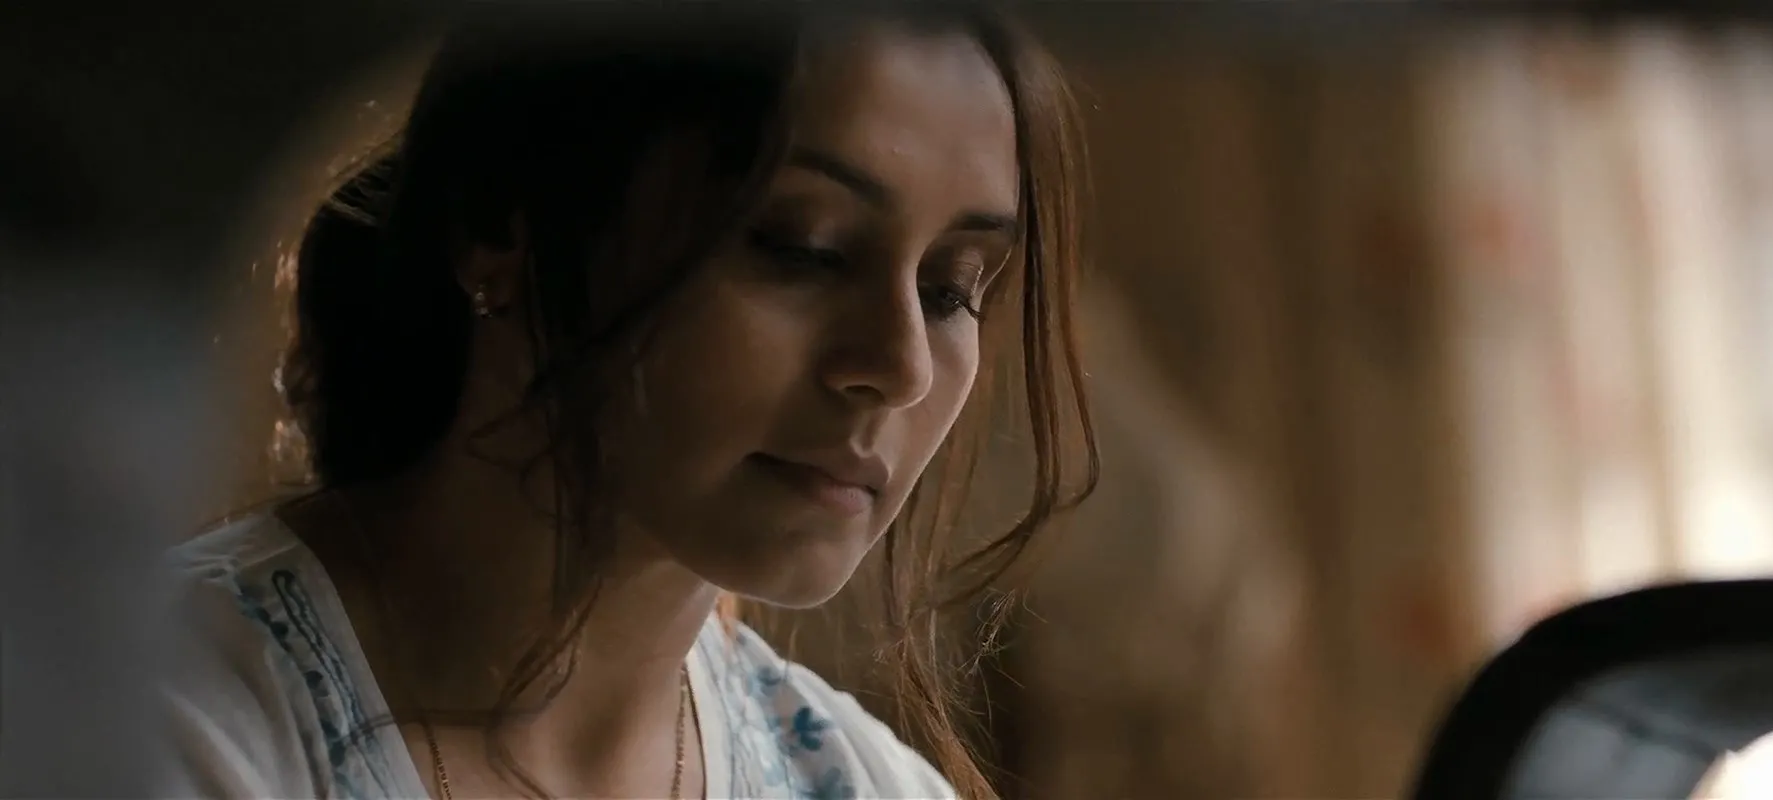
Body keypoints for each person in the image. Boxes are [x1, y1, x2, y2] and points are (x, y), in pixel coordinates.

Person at [162, 4, 1096, 799]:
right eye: (804, 248)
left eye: (948, 290)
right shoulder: (157, 722)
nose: (900, 367)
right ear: (501, 224)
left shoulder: (859, 782)